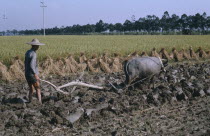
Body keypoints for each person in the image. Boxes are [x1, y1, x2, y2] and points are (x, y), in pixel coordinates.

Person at [25, 38, 45, 104]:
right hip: (32, 74)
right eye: (38, 46)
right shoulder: (33, 54)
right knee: (38, 88)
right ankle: (40, 103)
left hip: (27, 74)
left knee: (31, 89)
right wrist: (35, 74)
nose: (38, 47)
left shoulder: (27, 52)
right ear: (35, 46)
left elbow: (26, 63)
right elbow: (31, 65)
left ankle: (29, 101)